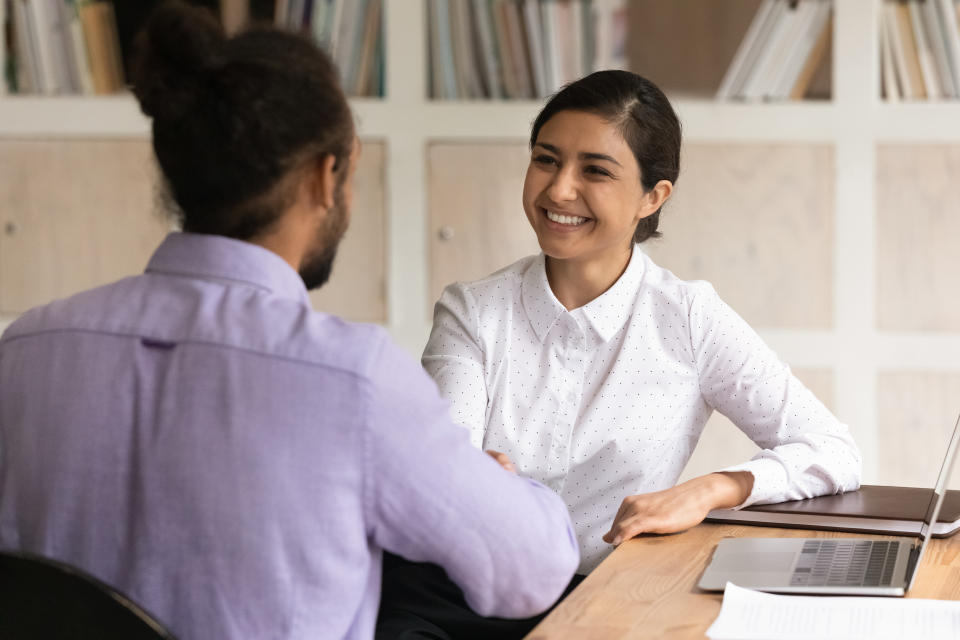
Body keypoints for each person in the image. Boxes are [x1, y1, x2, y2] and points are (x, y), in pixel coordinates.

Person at [0, 4, 578, 639]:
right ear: (325, 177)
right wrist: (504, 490)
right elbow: (532, 573)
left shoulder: (28, 348)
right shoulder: (351, 378)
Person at [377, 70, 862, 637]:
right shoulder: (473, 312)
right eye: (546, 159)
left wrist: (709, 490)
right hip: (453, 600)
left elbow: (833, 450)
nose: (559, 190)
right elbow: (444, 474)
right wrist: (460, 476)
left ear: (652, 197)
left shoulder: (688, 319)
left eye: (595, 171)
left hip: (608, 604)